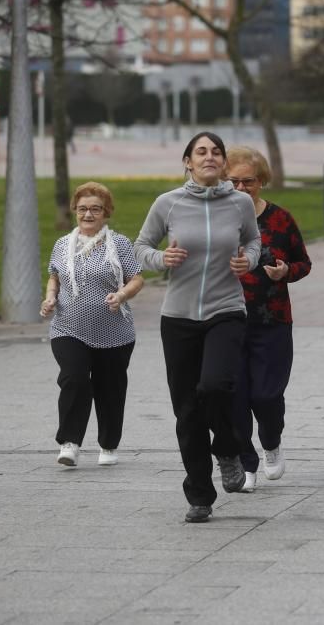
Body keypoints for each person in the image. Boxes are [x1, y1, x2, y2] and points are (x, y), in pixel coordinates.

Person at [133, 131, 263, 523]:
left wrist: (249, 262)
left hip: (226, 309)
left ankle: (226, 447)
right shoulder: (167, 203)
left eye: (216, 152)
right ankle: (200, 496)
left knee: (216, 385)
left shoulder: (240, 203)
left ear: (223, 162)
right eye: (201, 152)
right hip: (179, 317)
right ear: (188, 161)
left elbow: (254, 242)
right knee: (187, 412)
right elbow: (139, 246)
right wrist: (161, 258)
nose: (209, 157)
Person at [226, 146, 312, 493]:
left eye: (249, 181)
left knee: (265, 395)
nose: (242, 188)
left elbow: (303, 263)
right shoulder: (215, 218)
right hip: (226, 318)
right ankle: (246, 464)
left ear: (262, 181)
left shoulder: (280, 219)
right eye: (234, 181)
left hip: (272, 319)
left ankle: (271, 441)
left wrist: (285, 272)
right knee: (234, 397)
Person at [41, 182, 144, 468]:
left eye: (95, 209)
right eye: (83, 209)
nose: (88, 214)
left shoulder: (120, 243)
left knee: (109, 388)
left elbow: (137, 278)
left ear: (106, 212)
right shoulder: (63, 245)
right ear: (75, 210)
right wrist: (50, 298)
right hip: (68, 328)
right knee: (73, 379)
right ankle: (69, 443)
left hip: (114, 332)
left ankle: (108, 444)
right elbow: (54, 277)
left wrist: (121, 294)